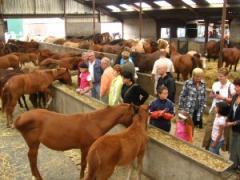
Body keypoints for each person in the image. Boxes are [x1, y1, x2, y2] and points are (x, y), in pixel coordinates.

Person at [202, 67, 235, 150]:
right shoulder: (215, 84)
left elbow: (233, 101)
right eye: (218, 76)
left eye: (221, 76)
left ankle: (217, 148)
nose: (219, 78)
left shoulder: (231, 87)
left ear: (227, 76)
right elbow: (211, 94)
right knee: (209, 128)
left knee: (221, 130)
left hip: (224, 112)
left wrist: (222, 98)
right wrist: (213, 95)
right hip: (214, 108)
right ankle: (207, 146)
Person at [226, 78, 240, 171]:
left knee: (238, 148)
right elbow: (231, 110)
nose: (235, 88)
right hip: (234, 127)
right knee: (233, 147)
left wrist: (233, 123)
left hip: (238, 127)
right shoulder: (235, 96)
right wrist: (228, 119)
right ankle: (233, 165)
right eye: (235, 85)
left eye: (238, 86)